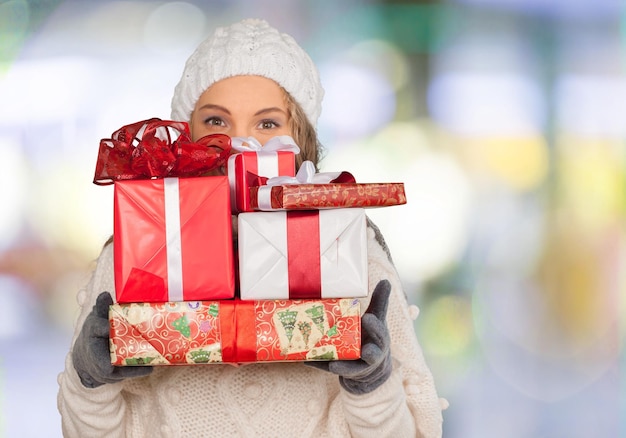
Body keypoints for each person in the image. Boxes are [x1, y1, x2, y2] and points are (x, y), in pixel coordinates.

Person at [57, 18, 445, 437]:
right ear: (184, 135)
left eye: (266, 124)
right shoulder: (138, 246)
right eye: (216, 123)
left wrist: (372, 387)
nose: (240, 145)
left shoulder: (344, 240)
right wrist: (90, 381)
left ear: (302, 139)